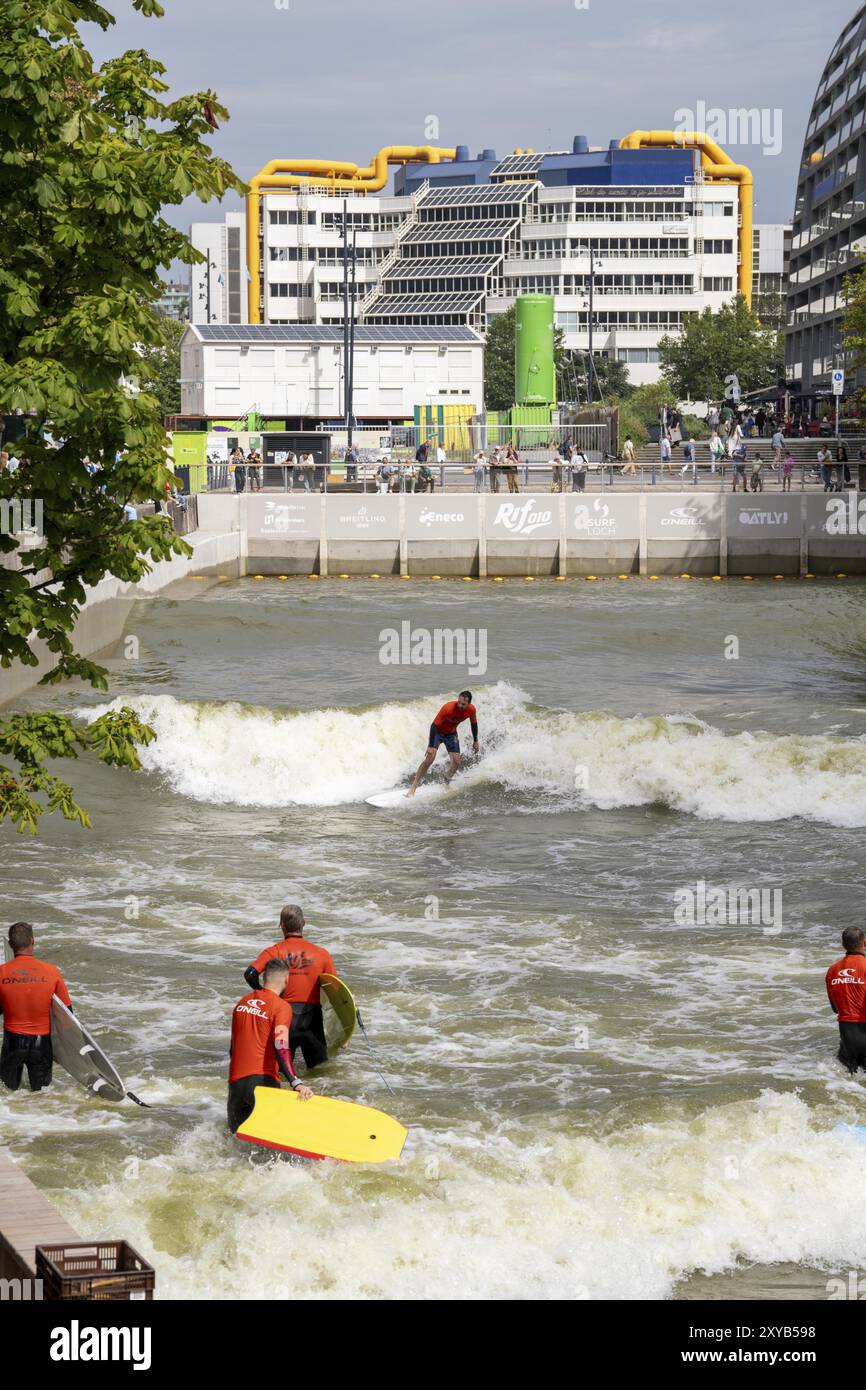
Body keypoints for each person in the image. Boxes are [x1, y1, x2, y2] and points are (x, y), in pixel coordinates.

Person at [244, 905, 336, 1071]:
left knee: (281, 1074)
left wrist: (265, 997)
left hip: (283, 1018)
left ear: (282, 926)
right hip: (312, 1022)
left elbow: (250, 974)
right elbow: (335, 991)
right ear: (304, 923)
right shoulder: (322, 954)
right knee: (320, 1073)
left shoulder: (273, 952)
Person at [227, 957, 313, 1134]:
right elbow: (281, 1046)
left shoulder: (242, 1003)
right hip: (262, 1084)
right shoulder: (281, 1007)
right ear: (287, 980)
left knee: (236, 1142)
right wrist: (295, 1082)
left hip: (236, 1085)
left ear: (264, 977)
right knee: (272, 1147)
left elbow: (232, 1049)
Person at [0, 922, 72, 1093]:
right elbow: (67, 1016)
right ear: (33, 941)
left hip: (12, 1044)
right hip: (42, 1045)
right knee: (41, 1097)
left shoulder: (1, 972)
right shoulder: (52, 972)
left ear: (10, 945)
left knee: (7, 1094)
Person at [408, 691, 479, 797]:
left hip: (451, 734)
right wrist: (431, 746)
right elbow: (434, 726)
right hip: (438, 733)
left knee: (456, 762)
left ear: (468, 704)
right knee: (430, 758)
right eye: (459, 702)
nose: (460, 705)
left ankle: (445, 782)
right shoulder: (448, 708)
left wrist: (475, 740)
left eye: (463, 704)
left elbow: (474, 724)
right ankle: (413, 787)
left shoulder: (471, 710)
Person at [825, 928, 866, 1075]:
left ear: (843, 945)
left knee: (850, 1084)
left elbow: (835, 1008)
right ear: (864, 943)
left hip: (847, 1035)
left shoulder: (832, 970)